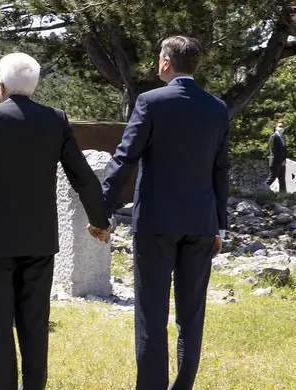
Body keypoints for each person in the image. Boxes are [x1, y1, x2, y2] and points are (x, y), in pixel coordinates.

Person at [0, 52, 110, 390]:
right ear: (35, 86)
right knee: (35, 324)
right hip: (40, 239)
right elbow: (82, 175)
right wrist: (100, 220)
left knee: (0, 324)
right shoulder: (55, 120)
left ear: (0, 86)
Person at [101, 36, 229, 390]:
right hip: (202, 223)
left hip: (157, 222)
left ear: (166, 63)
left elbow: (125, 157)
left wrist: (101, 209)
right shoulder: (217, 108)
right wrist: (220, 225)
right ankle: (183, 385)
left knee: (152, 315)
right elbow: (222, 169)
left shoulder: (150, 102)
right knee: (192, 315)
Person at [266, 121, 287, 193]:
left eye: (283, 127)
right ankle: (262, 191)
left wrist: (284, 160)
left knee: (282, 180)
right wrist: (281, 161)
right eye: (280, 126)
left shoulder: (283, 137)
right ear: (276, 127)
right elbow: (273, 151)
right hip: (275, 162)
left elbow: (284, 150)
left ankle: (284, 196)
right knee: (271, 178)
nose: (282, 128)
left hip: (282, 163)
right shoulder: (273, 137)